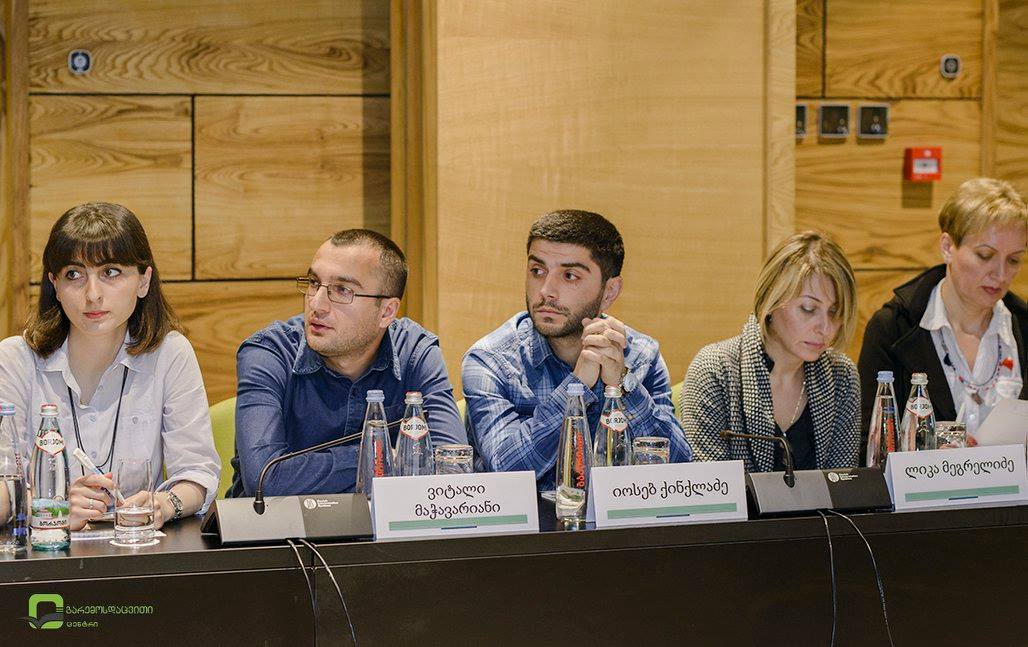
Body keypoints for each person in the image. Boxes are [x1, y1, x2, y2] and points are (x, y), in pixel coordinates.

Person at [0, 202, 220, 530]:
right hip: (44, 552)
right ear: (55, 285)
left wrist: (164, 504)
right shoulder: (15, 360)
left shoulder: (170, 354)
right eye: (74, 274)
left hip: (138, 546)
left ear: (143, 281)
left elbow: (197, 473)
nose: (93, 294)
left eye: (110, 272)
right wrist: (49, 506)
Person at [462, 209, 691, 490]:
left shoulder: (641, 355)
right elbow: (505, 470)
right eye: (537, 271)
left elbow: (680, 474)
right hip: (530, 519)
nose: (546, 291)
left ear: (609, 292)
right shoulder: (490, 360)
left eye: (569, 275)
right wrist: (577, 387)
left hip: (615, 518)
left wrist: (623, 383)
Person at [230, 229, 466, 497]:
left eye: (342, 290)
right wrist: (377, 456)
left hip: (385, 524)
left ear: (386, 312)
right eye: (314, 283)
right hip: (281, 524)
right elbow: (265, 479)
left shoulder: (414, 352)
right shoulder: (269, 353)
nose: (316, 304)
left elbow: (452, 469)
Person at [859, 178, 1027, 449]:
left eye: (1014, 260)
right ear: (948, 247)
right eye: (985, 255)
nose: (1001, 274)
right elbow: (870, 445)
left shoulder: (1023, 327)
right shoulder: (893, 328)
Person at [681, 231, 860, 472]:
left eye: (834, 311)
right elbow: (713, 487)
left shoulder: (842, 376)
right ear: (772, 301)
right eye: (808, 309)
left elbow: (843, 485)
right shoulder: (714, 370)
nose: (825, 328)